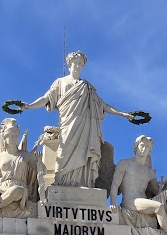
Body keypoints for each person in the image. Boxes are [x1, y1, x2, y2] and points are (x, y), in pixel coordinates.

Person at [15, 50, 136, 188]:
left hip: (85, 126)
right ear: (69, 64)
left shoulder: (87, 87)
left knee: (84, 152)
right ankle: (61, 180)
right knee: (64, 151)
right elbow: (46, 98)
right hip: (68, 124)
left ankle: (83, 182)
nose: (78, 65)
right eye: (75, 63)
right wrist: (29, 106)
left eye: (80, 63)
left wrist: (123, 114)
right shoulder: (60, 82)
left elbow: (103, 105)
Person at [110, 135, 167, 235]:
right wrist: (113, 203)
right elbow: (115, 185)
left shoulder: (149, 172)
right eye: (142, 145)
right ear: (136, 146)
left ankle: (165, 224)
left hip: (143, 202)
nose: (144, 149)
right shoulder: (125, 164)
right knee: (158, 206)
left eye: (147, 147)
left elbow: (158, 193)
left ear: (150, 150)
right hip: (130, 202)